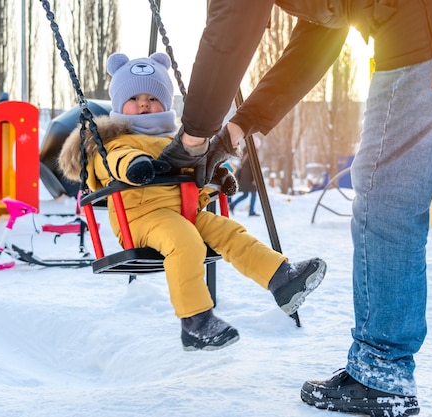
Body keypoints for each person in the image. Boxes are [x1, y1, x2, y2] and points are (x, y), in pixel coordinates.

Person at [156, 1, 432, 416]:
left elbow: (234, 20)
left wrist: (194, 137)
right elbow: (323, 34)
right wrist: (237, 129)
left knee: (385, 201)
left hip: (427, 31)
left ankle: (381, 372)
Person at [58, 52, 327, 352]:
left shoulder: (179, 140)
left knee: (228, 230)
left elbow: (192, 178)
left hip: (184, 214)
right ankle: (196, 322)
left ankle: (281, 279)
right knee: (186, 241)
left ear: (167, 103)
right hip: (141, 221)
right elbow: (115, 162)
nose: (144, 103)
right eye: (134, 97)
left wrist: (216, 177)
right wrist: (137, 166)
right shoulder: (115, 142)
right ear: (120, 105)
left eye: (152, 97)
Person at [229, 149, 259, 216]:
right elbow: (253, 168)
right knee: (253, 193)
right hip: (248, 178)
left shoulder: (245, 154)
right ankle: (251, 211)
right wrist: (254, 179)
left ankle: (232, 205)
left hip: (244, 178)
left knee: (245, 194)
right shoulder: (251, 155)